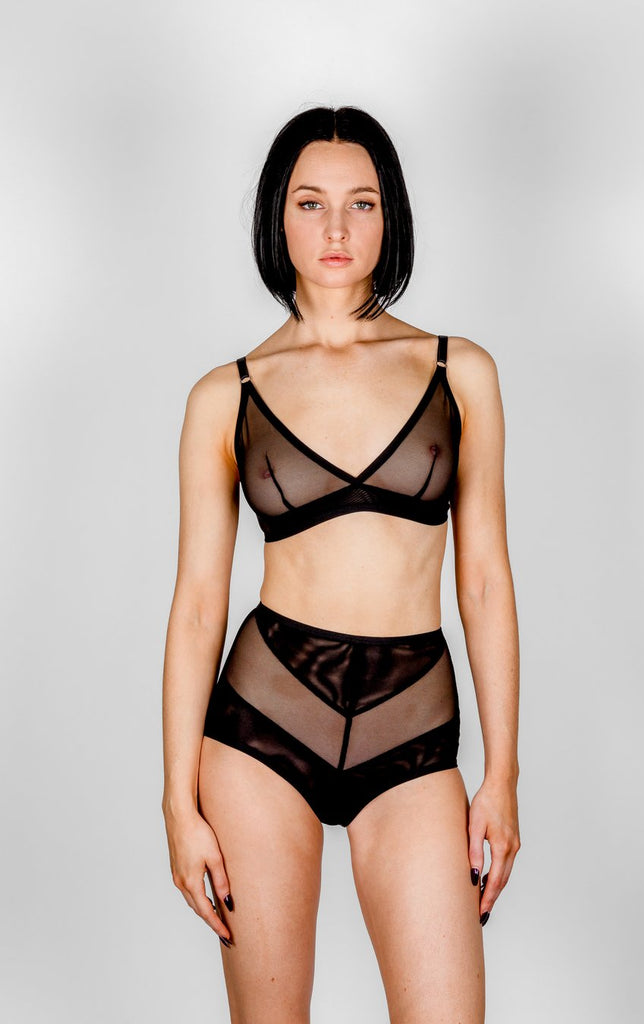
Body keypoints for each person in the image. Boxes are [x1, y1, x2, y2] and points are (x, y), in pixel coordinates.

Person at [161, 104, 521, 1023]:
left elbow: (484, 581)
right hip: (264, 716)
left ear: (389, 215)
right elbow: (198, 605)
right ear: (276, 218)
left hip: (412, 714)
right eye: (309, 203)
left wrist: (501, 776)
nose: (335, 229)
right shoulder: (225, 395)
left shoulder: (458, 371)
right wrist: (176, 803)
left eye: (361, 203)